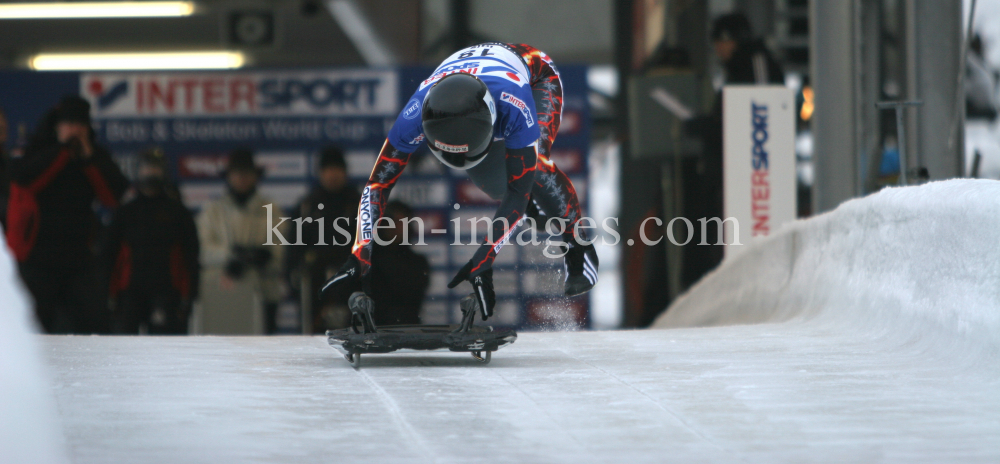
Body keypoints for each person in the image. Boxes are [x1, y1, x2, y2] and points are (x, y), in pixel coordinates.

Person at [321, 43, 599, 320]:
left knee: (534, 166)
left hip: (537, 76)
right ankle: (533, 208)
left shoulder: (514, 106)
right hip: (479, 87)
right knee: (492, 183)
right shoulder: (415, 114)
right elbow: (377, 185)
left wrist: (485, 258)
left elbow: (518, 190)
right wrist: (360, 252)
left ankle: (578, 246)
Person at [7, 95, 129, 333]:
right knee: (36, 328)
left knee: (92, 326)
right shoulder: (38, 149)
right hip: (38, 258)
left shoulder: (93, 156)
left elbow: (115, 197)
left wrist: (88, 159)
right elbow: (25, 181)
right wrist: (62, 150)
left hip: (78, 258)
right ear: (58, 126)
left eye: (81, 125)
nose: (75, 130)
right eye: (70, 124)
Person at [683, 13, 784, 286]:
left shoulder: (756, 63)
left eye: (722, 41)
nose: (718, 48)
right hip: (729, 170)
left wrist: (709, 127)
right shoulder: (734, 70)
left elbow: (764, 110)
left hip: (750, 171)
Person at [104, 149, 199, 334]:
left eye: (155, 168)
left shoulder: (178, 214)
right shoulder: (124, 213)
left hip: (167, 293)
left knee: (166, 352)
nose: (150, 173)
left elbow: (191, 258)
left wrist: (189, 297)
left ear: (164, 171)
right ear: (137, 172)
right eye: (146, 168)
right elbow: (108, 257)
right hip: (129, 293)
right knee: (123, 350)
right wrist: (108, 295)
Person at [196, 148, 286, 334]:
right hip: (222, 296)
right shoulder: (213, 211)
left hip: (263, 294)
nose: (242, 178)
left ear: (255, 176)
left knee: (263, 356)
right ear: (229, 176)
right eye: (237, 173)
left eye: (247, 173)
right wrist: (233, 255)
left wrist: (259, 258)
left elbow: (280, 253)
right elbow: (203, 251)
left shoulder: (271, 210)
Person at [289, 146, 361, 332]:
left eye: (337, 169)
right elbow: (294, 250)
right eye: (327, 170)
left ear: (345, 172)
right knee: (314, 341)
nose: (332, 175)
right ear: (320, 173)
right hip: (315, 288)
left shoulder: (359, 205)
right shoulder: (307, 206)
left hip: (352, 284)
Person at [367, 200, 430, 325]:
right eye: (393, 222)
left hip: (406, 331)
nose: (397, 228)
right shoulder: (366, 262)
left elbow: (410, 300)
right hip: (371, 331)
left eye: (403, 223)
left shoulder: (417, 263)